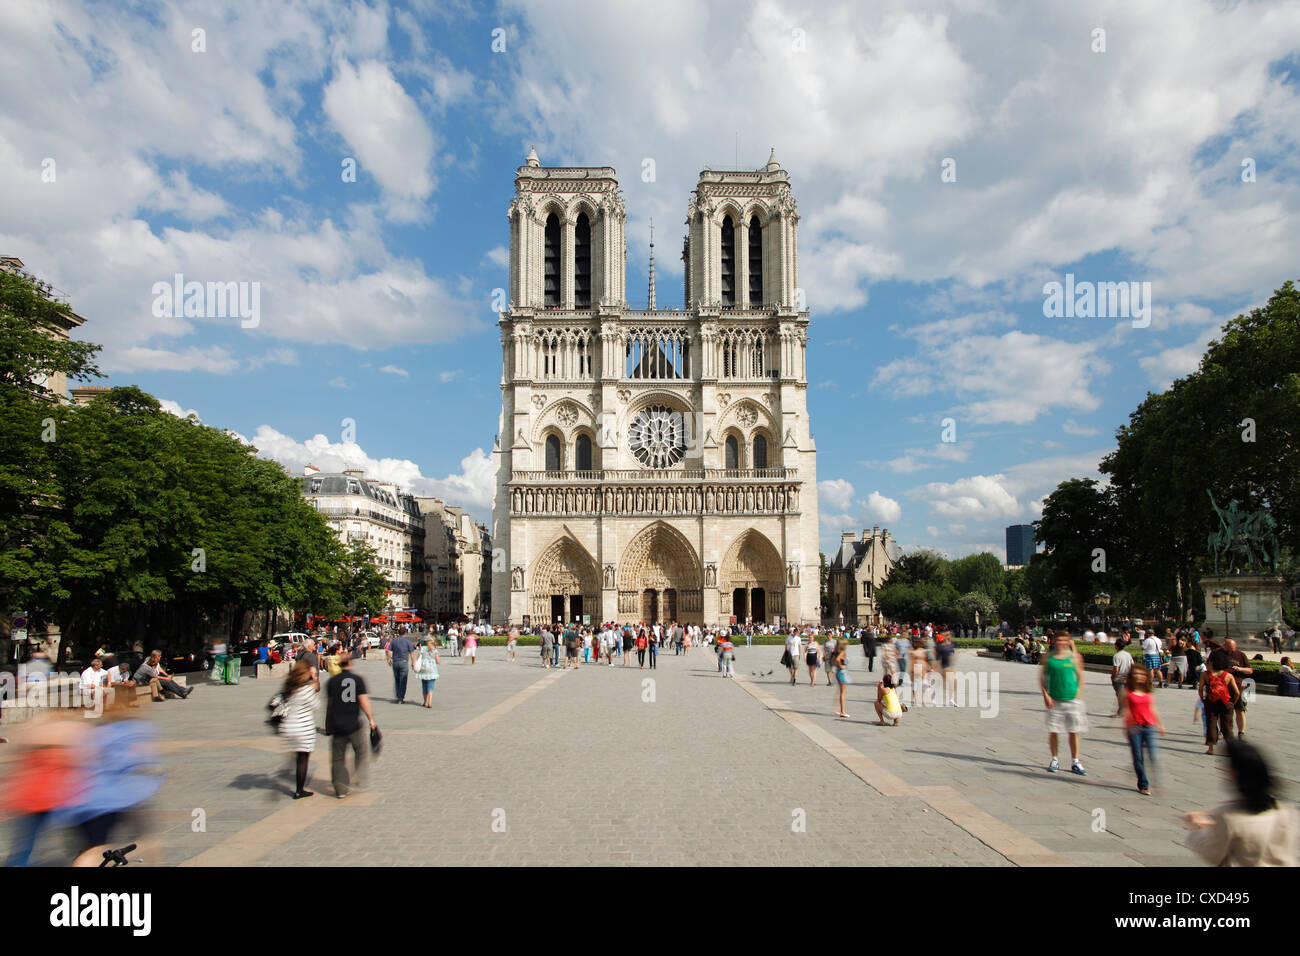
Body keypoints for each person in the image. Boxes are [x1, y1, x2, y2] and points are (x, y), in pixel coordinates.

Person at [1185, 739, 1297, 866]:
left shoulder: (1229, 817)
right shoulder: (1283, 810)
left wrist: (1197, 829)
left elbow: (1214, 855)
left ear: (1235, 772)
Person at [325, 652, 376, 799]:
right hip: (354, 723)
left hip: (337, 723)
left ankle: (340, 788)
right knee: (360, 750)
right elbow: (364, 701)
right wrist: (371, 719)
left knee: (337, 758)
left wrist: (328, 723)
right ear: (350, 664)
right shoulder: (357, 680)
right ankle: (358, 776)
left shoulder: (332, 682)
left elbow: (329, 705)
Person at [1041, 631, 1087, 775]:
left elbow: (1080, 677)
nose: (1061, 643)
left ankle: (1075, 761)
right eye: (1058, 640)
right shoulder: (1048, 658)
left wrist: (1078, 694)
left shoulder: (1075, 657)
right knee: (1054, 730)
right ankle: (1054, 759)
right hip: (1055, 699)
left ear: (1068, 642)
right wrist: (1046, 696)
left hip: (1072, 699)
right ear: (1054, 641)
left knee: (1073, 731)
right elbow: (1042, 678)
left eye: (1064, 640)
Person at [1122, 664, 1165, 795]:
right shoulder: (1126, 691)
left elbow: (1152, 708)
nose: (1140, 677)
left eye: (1142, 674)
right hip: (1134, 728)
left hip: (1150, 726)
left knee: (1154, 756)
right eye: (1137, 674)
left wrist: (1160, 724)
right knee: (1138, 757)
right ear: (1132, 676)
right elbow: (1124, 709)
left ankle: (1156, 782)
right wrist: (1125, 724)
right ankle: (1143, 784)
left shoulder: (1147, 690)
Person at [279, 660, 319, 799]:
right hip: (303, 727)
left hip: (289, 727)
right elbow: (316, 705)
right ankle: (299, 790)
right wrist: (314, 681)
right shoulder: (306, 689)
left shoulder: (289, 688)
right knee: (303, 759)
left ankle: (295, 781)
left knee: (298, 757)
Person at [1198, 649, 1239, 756]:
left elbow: (1200, 688)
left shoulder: (1205, 675)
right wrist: (1232, 703)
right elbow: (1237, 692)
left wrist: (1203, 699)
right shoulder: (1228, 676)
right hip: (1226, 703)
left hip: (1211, 702)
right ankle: (1231, 749)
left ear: (1211, 662)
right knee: (1227, 725)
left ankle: (1211, 748)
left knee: (1211, 723)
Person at [1222, 639, 1253, 738]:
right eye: (1227, 648)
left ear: (1234, 646)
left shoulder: (1241, 655)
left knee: (1240, 709)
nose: (1229, 650)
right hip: (1223, 686)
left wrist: (1240, 669)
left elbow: (1250, 670)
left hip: (1239, 686)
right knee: (1223, 710)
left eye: (1231, 648)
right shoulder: (1219, 655)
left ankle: (1241, 732)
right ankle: (1223, 731)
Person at [386, 629, 415, 704]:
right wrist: (413, 662)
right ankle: (401, 698)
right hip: (404, 662)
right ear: (405, 633)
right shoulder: (408, 641)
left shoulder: (394, 641)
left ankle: (398, 696)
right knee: (403, 680)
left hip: (395, 662)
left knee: (397, 680)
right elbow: (411, 653)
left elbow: (389, 651)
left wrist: (389, 660)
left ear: (398, 633)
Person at [413, 638, 441, 708]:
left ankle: (425, 702)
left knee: (424, 686)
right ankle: (430, 702)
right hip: (432, 669)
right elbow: (438, 661)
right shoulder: (434, 650)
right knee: (430, 686)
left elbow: (418, 658)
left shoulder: (423, 648)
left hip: (423, 668)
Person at [1110, 638, 1134, 717]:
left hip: (1119, 678)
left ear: (1116, 646)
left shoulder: (1116, 656)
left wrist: (1113, 676)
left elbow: (1116, 669)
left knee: (1120, 695)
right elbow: (1132, 665)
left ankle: (1121, 712)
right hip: (1127, 677)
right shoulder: (1128, 654)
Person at [935, 634, 957, 706]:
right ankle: (934, 697)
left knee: (953, 683)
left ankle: (951, 699)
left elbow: (952, 654)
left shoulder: (951, 645)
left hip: (951, 667)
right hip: (945, 667)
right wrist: (937, 668)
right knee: (943, 683)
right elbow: (938, 659)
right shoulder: (940, 647)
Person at [832, 642, 851, 718]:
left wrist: (838, 665)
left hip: (838, 671)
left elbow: (833, 661)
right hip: (842, 672)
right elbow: (837, 659)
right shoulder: (842, 652)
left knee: (839, 692)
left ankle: (837, 709)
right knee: (843, 692)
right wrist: (841, 666)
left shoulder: (837, 652)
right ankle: (842, 711)